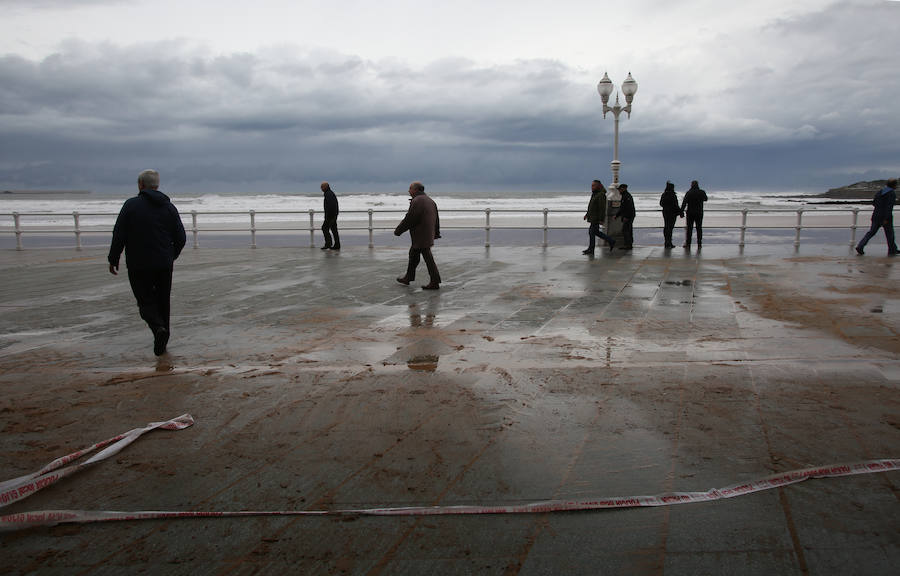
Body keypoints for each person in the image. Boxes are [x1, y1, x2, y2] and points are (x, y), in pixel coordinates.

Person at [108, 169, 187, 356]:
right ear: (157, 186)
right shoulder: (168, 207)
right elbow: (181, 237)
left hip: (138, 264)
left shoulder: (131, 206)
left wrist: (113, 258)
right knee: (163, 301)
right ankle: (163, 338)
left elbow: (119, 234)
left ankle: (158, 329)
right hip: (164, 264)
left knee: (145, 302)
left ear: (140, 185)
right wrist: (171, 255)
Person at [394, 181, 442, 289]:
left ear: (415, 190)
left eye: (410, 188)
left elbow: (410, 218)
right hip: (426, 233)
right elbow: (436, 219)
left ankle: (434, 281)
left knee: (427, 257)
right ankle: (409, 277)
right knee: (413, 254)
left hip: (421, 235)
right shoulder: (430, 200)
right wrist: (436, 232)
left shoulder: (418, 201)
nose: (408, 191)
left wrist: (398, 231)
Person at [855, 178, 898, 256]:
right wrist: (886, 218)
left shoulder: (880, 192)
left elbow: (874, 203)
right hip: (885, 217)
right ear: (894, 185)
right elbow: (889, 207)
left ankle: (860, 246)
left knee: (871, 232)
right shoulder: (891, 193)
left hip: (876, 215)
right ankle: (892, 250)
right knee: (890, 234)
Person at [582, 179, 615, 254]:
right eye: (592, 185)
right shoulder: (595, 194)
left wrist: (601, 219)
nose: (592, 187)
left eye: (594, 185)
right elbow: (591, 206)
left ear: (598, 186)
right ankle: (611, 241)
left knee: (592, 232)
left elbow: (602, 208)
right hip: (593, 217)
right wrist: (587, 214)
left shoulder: (601, 195)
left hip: (596, 218)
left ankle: (591, 249)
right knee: (595, 232)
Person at [680, 180, 708, 249]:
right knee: (699, 228)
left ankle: (688, 244)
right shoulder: (702, 192)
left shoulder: (689, 192)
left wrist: (681, 212)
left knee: (689, 229)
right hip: (699, 213)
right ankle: (699, 244)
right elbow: (706, 199)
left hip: (690, 213)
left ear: (691, 185)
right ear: (698, 185)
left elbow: (684, 203)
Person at [659, 181, 682, 248]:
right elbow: (676, 205)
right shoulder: (673, 195)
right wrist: (680, 212)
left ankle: (666, 242)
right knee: (670, 228)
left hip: (665, 213)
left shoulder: (664, 194)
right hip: (672, 214)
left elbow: (661, 204)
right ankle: (669, 242)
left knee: (666, 227)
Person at [320, 181, 340, 250]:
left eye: (322, 187)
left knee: (324, 228)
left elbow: (331, 206)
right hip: (333, 215)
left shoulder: (328, 194)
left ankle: (328, 244)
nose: (321, 188)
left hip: (330, 216)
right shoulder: (329, 193)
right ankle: (336, 245)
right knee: (334, 230)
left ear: (326, 187)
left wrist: (328, 217)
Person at [615, 183, 635, 250]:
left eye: (620, 190)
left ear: (623, 189)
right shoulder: (625, 196)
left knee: (625, 230)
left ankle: (628, 245)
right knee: (628, 230)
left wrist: (626, 217)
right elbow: (622, 208)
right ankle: (629, 244)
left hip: (628, 216)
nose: (619, 191)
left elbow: (629, 208)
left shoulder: (627, 196)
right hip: (629, 216)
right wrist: (617, 215)